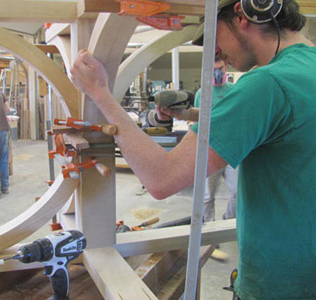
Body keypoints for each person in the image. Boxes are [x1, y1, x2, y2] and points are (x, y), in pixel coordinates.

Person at [71, 0, 316, 298]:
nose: (212, 51)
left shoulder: (268, 83)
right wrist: (191, 116)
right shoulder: (304, 72)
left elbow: (162, 178)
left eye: (214, 32)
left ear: (244, 14)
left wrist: (100, 94)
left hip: (280, 287)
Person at [194, 57, 238, 221]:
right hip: (210, 151)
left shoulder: (234, 90)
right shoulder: (202, 93)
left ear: (227, 67)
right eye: (214, 70)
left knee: (236, 193)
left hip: (232, 151)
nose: (218, 72)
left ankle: (228, 224)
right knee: (207, 197)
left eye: (220, 68)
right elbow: (196, 122)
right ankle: (208, 229)